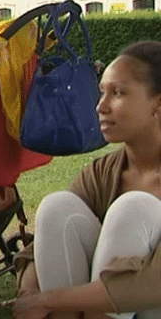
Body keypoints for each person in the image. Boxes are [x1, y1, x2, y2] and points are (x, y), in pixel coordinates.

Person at [14, 40, 161, 319]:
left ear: (158, 104)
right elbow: (38, 250)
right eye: (101, 92)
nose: (100, 107)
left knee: (134, 208)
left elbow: (153, 285)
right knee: (58, 208)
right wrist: (28, 295)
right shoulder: (102, 172)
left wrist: (49, 301)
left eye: (118, 93)